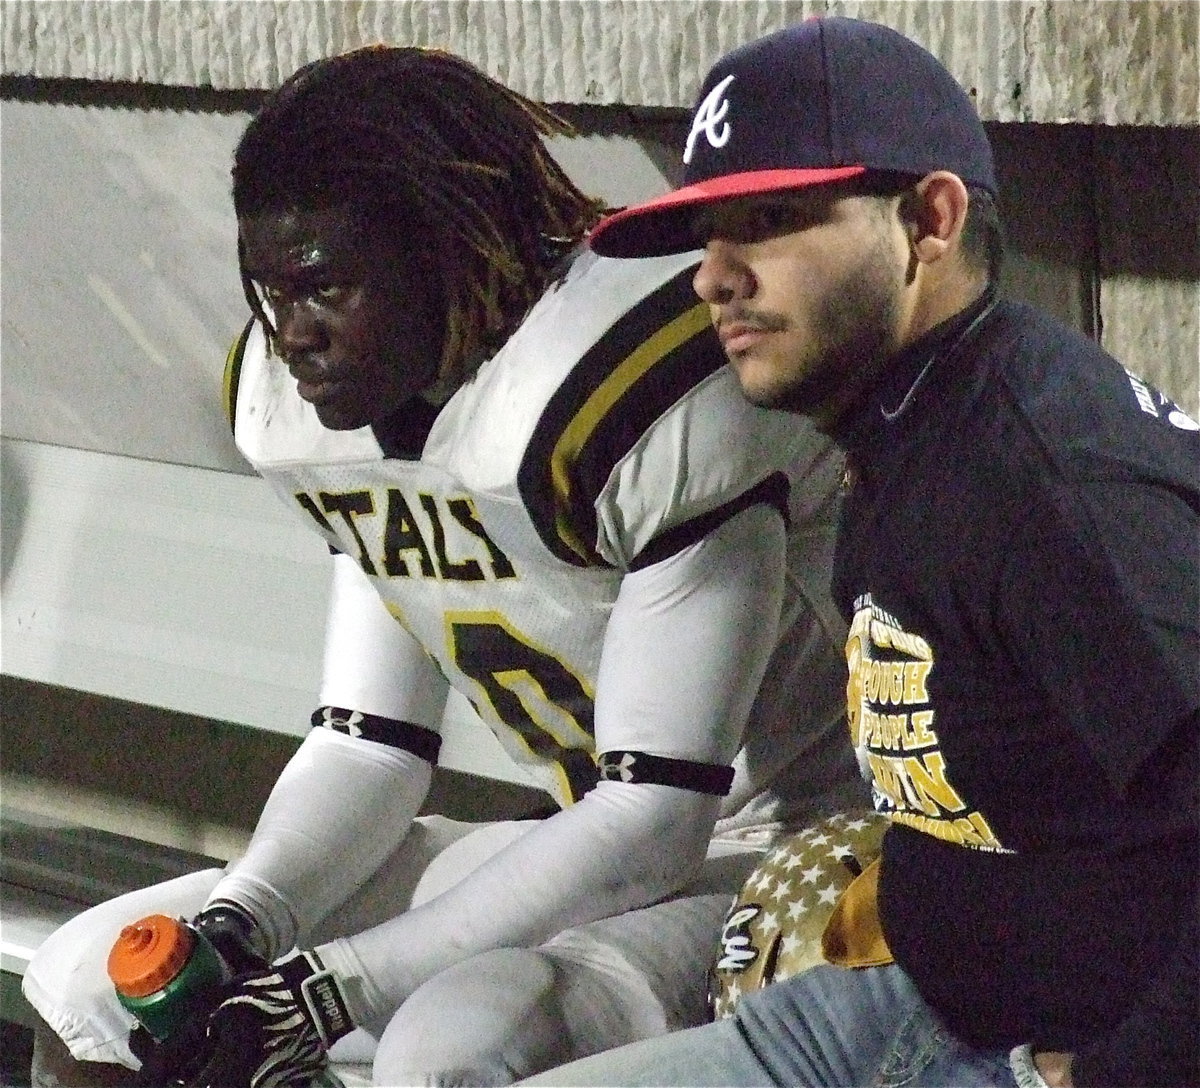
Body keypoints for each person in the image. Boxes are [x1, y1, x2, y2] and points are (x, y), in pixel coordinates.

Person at [23, 44, 862, 1088]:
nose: (293, 336)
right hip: (581, 841)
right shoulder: (328, 414)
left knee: (447, 1046)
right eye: (272, 291)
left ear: (452, 251)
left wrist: (324, 988)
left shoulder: (625, 404)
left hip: (784, 866)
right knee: (89, 988)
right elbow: (366, 747)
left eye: (325, 286)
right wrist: (250, 920)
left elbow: (655, 819)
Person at [523, 15, 1200, 1088]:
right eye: (707, 233)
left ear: (927, 220)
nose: (713, 277)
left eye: (771, 220)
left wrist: (1123, 1075)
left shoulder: (1044, 480)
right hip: (918, 1005)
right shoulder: (908, 419)